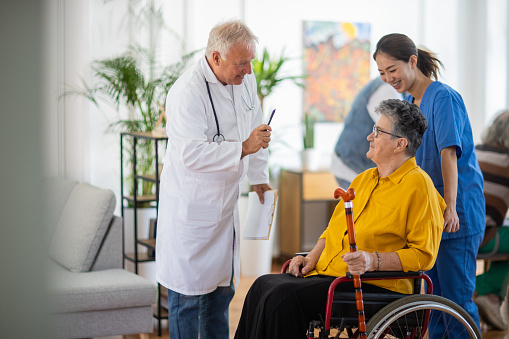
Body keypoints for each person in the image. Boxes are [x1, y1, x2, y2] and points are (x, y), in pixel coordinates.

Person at [234, 99, 446, 339]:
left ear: (400, 144)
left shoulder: (419, 186)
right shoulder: (363, 179)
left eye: (378, 131)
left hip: (377, 286)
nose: (370, 136)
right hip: (334, 275)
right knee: (261, 286)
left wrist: (372, 260)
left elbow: (424, 255)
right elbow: (332, 230)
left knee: (281, 297)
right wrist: (310, 257)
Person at [156, 20, 272, 339]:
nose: (248, 71)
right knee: (191, 304)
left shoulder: (243, 80)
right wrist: (242, 148)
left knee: (220, 299)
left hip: (224, 212)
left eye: (250, 62)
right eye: (241, 63)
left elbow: (257, 128)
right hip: (192, 214)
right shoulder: (186, 92)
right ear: (216, 57)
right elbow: (190, 155)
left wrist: (260, 176)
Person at [373, 33, 485, 337]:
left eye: (392, 70)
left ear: (412, 62)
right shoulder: (409, 102)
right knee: (430, 303)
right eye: (382, 73)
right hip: (429, 214)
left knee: (455, 302)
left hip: (455, 211)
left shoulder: (443, 97)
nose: (388, 78)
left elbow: (448, 153)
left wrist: (449, 207)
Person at [473, 110, 509, 330]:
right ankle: (484, 290)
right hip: (482, 238)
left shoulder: (474, 151)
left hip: (454, 233)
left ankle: (492, 299)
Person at [331, 77, 402, 188]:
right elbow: (397, 135)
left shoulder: (388, 86)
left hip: (352, 162)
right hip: (353, 166)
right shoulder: (385, 91)